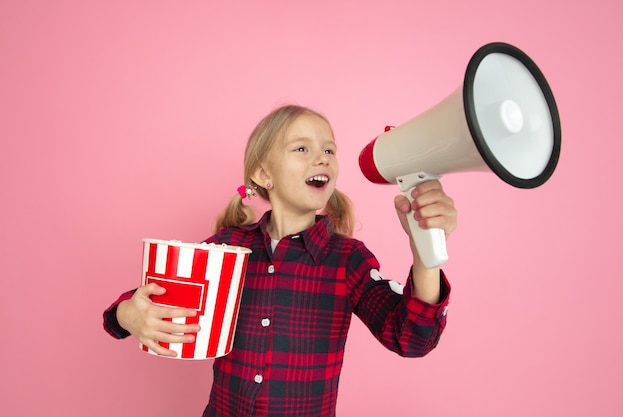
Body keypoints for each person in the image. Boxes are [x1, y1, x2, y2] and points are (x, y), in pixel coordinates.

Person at [103, 104, 457, 417]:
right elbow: (153, 297)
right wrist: (126, 313)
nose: (321, 158)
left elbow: (411, 339)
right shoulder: (227, 246)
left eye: (329, 150)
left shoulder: (348, 260)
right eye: (302, 148)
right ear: (263, 175)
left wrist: (425, 251)